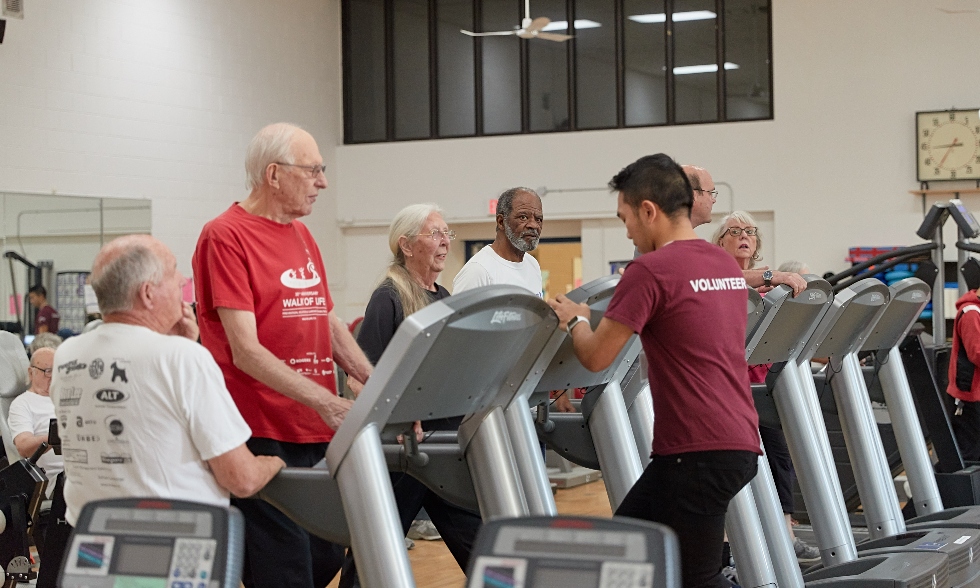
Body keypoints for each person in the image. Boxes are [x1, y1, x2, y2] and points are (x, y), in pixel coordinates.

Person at [549, 154, 760, 588]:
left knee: (695, 578)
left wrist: (573, 318)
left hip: (696, 452)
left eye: (625, 218)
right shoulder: (723, 266)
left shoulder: (648, 270)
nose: (626, 231)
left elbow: (595, 357)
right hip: (732, 440)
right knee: (625, 557)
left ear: (649, 211)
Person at [192, 122, 374, 588]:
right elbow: (245, 351)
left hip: (312, 428)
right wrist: (328, 401)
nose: (323, 182)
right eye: (313, 170)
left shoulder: (302, 235)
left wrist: (378, 384)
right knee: (284, 570)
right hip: (258, 431)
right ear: (274, 175)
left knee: (325, 555)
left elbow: (327, 321)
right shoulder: (224, 236)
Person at [50, 234, 285, 529]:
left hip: (91, 536)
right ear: (148, 294)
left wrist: (175, 346)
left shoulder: (66, 354)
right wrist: (274, 463)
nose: (183, 281)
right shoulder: (182, 357)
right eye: (174, 272)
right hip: (171, 543)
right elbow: (242, 479)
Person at [340, 204, 483, 587]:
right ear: (406, 244)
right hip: (404, 452)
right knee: (371, 551)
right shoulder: (387, 298)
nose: (444, 242)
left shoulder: (444, 296)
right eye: (435, 233)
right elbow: (360, 377)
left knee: (481, 545)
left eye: (447, 233)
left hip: (443, 448)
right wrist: (401, 414)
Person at [713, 212, 820, 564]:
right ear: (721, 240)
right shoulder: (715, 272)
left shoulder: (768, 285)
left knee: (779, 456)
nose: (744, 236)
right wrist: (773, 277)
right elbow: (727, 281)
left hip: (761, 379)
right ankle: (729, 545)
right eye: (735, 231)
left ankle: (786, 533)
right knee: (736, 462)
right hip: (727, 383)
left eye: (750, 232)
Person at [453, 187, 544, 297]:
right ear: (501, 222)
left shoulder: (532, 264)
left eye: (538, 219)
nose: (533, 225)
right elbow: (461, 314)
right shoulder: (478, 271)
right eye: (523, 217)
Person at [9, 347, 63, 497]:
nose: (52, 377)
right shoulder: (22, 404)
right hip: (54, 480)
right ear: (31, 372)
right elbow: (24, 447)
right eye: (47, 371)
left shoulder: (67, 399)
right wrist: (57, 435)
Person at [947, 288, 980, 461]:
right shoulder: (971, 313)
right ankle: (933, 484)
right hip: (969, 397)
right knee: (968, 454)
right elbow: (977, 353)